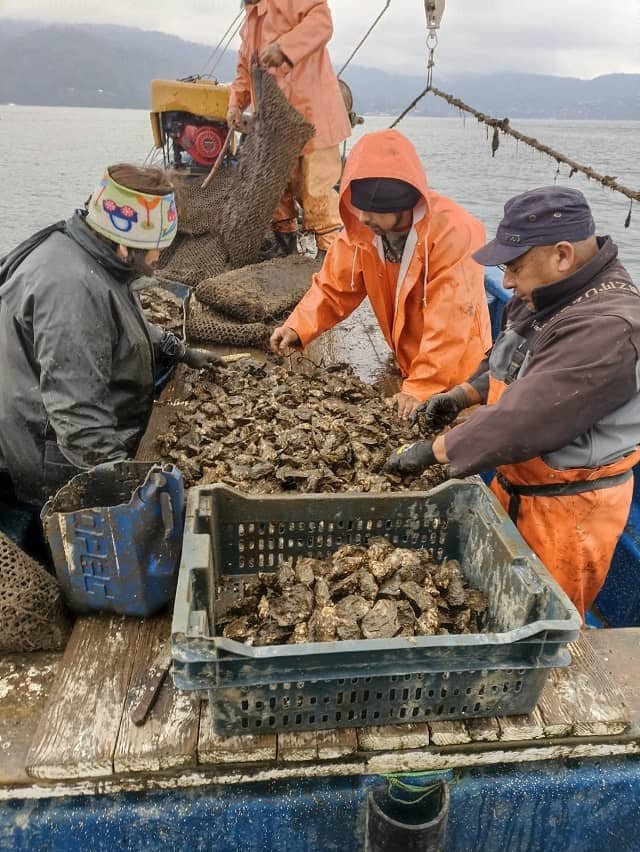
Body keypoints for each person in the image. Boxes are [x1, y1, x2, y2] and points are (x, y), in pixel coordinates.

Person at [384, 185, 640, 618]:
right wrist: (461, 394)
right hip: (517, 486)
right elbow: (510, 361)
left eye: (515, 267)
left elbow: (524, 419)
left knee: (540, 626)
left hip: (568, 513)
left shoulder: (608, 329)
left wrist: (429, 452)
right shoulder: (548, 292)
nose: (505, 282)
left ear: (562, 254)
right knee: (490, 603)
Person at [0, 163, 220, 515]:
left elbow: (118, 321)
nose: (161, 255)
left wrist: (176, 349)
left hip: (51, 427)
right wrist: (130, 488)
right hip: (48, 455)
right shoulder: (71, 290)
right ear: (123, 246)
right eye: (156, 248)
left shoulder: (89, 254)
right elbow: (80, 421)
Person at [270, 129, 492, 418]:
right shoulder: (363, 231)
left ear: (403, 205)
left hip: (461, 377)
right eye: (360, 207)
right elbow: (333, 287)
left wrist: (421, 387)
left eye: (374, 211)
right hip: (408, 360)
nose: (363, 217)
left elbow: (450, 324)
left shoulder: (455, 233)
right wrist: (297, 328)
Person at [227, 0, 351, 258]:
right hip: (276, 128)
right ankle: (285, 243)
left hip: (313, 116)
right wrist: (235, 105)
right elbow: (243, 72)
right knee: (277, 185)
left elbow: (322, 22)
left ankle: (328, 252)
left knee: (317, 187)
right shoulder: (250, 23)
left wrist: (285, 48)